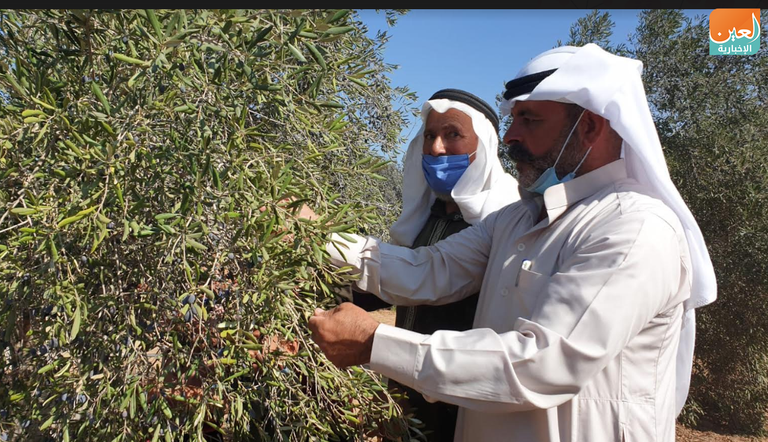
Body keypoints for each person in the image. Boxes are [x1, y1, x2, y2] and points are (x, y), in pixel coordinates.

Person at [309, 43, 717, 442]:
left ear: (589, 126)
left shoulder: (633, 227)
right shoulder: (517, 218)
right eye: (513, 119)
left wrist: (375, 344)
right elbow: (428, 269)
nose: (510, 137)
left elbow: (543, 363)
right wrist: (312, 235)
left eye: (530, 120)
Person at [350, 88, 519, 441]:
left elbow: (423, 274)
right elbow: (399, 285)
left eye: (452, 134)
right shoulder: (426, 218)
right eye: (429, 135)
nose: (437, 148)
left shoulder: (502, 223)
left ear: (484, 146)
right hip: (404, 387)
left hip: (460, 397)